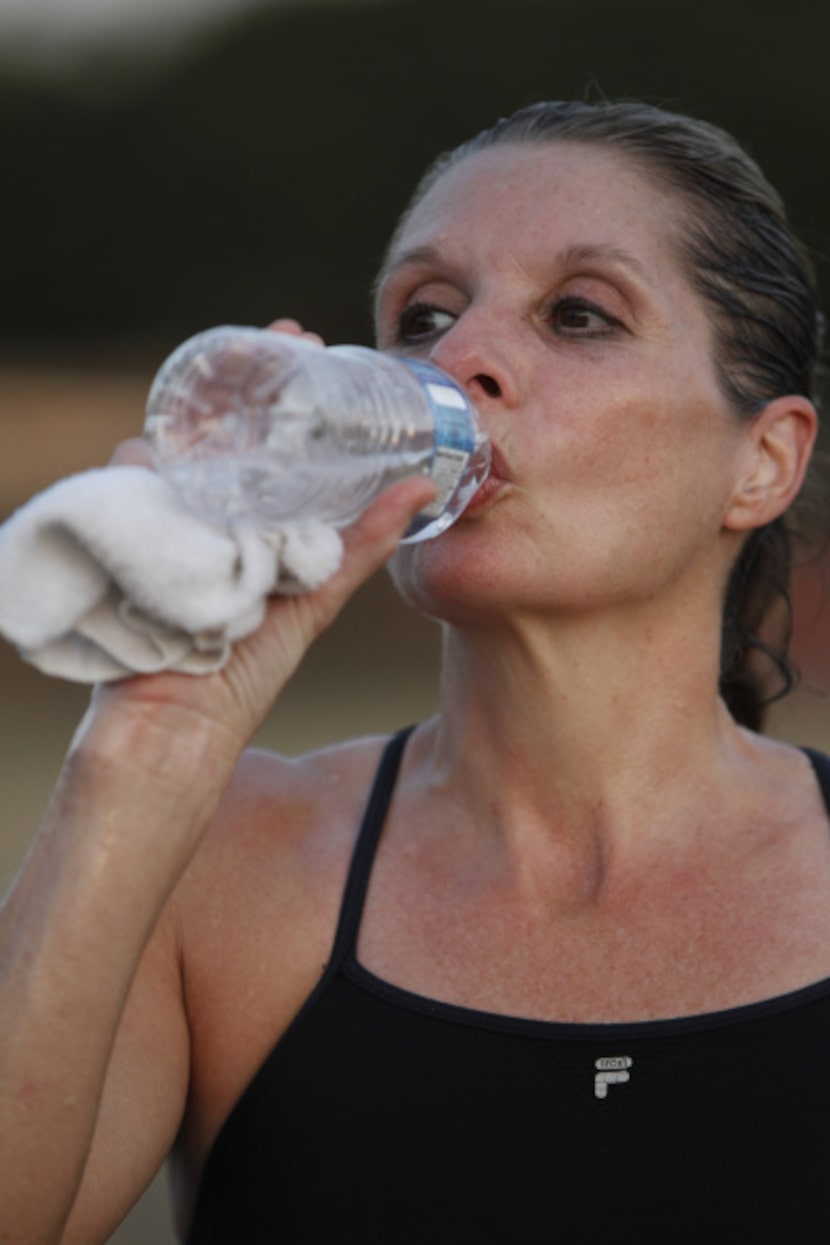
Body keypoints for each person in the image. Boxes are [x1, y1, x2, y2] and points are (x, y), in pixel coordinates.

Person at [2, 97, 830, 1244]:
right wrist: (147, 747)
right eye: (423, 314)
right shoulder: (226, 869)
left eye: (579, 315)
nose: (458, 358)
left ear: (762, 461)